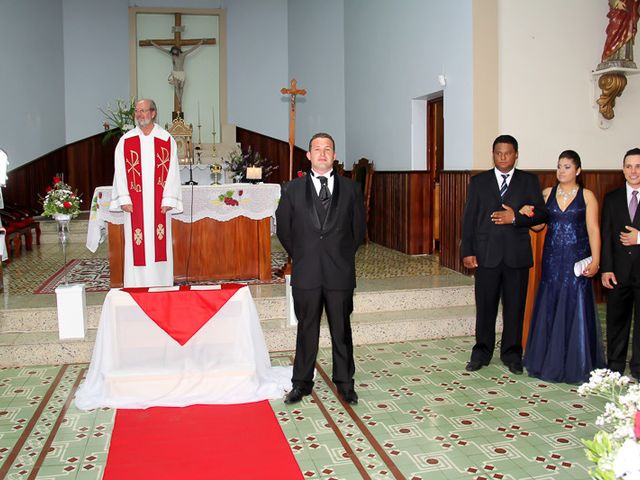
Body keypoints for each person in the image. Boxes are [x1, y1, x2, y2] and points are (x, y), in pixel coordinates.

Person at [276, 133, 365, 405]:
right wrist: (302, 255)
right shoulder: (292, 189)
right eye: (317, 149)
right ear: (309, 155)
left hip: (339, 271)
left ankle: (345, 382)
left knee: (342, 329)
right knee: (307, 330)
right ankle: (301, 383)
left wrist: (340, 255)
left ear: (335, 155)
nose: (322, 154)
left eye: (328, 149)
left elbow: (358, 230)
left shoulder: (351, 189)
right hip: (307, 271)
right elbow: (284, 229)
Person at [461, 135, 548, 374]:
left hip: (516, 256)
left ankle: (512, 354)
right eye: (498, 153)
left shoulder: (529, 181)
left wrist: (516, 218)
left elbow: (542, 214)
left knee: (515, 307)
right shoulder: (479, 182)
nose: (502, 157)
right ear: (493, 154)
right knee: (485, 307)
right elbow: (469, 218)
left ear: (516, 155)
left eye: (507, 153)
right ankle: (481, 352)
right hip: (486, 254)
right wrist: (467, 251)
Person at [522, 150, 605, 383]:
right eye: (559, 166)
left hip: (576, 260)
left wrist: (596, 260)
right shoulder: (547, 193)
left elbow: (593, 230)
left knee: (575, 305)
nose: (561, 171)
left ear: (577, 170)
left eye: (567, 166)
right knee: (551, 304)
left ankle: (576, 362)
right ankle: (547, 360)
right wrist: (528, 215)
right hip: (552, 260)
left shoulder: (587, 196)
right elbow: (538, 227)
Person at [110, 99, 183, 288]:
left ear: (153, 113)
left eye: (144, 111)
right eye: (137, 111)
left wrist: (168, 198)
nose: (140, 115)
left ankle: (161, 285)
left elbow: (173, 171)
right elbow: (120, 171)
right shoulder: (126, 141)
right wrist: (124, 197)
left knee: (159, 246)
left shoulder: (166, 139)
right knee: (137, 246)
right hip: (135, 205)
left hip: (159, 204)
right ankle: (136, 286)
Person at [601, 148, 640, 379]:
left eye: (638, 166)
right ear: (623, 169)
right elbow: (606, 235)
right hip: (617, 272)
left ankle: (638, 368)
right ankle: (614, 366)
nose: (633, 171)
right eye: (629, 166)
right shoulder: (612, 198)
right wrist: (606, 268)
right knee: (616, 322)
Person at [151, 41, 203, 111]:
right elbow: (161, 49)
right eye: (173, 52)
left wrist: (201, 42)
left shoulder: (183, 54)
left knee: (181, 88)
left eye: (176, 52)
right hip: (175, 73)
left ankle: (180, 100)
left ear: (178, 50)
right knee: (176, 87)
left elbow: (192, 49)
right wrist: (153, 43)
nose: (174, 53)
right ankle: (179, 102)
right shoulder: (171, 55)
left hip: (181, 73)